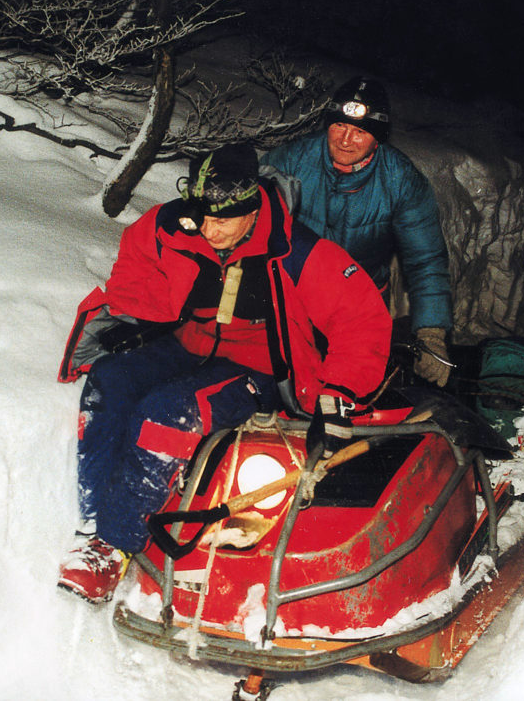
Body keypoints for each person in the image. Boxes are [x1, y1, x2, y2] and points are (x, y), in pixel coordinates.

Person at [55, 143, 393, 604]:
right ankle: (94, 523)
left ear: (252, 207)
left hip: (256, 365)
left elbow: (361, 318)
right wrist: (134, 318)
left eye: (224, 220)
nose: (210, 230)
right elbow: (136, 268)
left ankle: (113, 545)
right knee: (109, 382)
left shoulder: (296, 250)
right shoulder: (170, 226)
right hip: (187, 343)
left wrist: (339, 392)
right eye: (203, 217)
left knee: (168, 412)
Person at [261, 76, 454, 386]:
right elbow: (253, 220)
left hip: (360, 305)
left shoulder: (401, 180)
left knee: (349, 388)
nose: (345, 140)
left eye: (360, 131)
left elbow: (426, 260)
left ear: (377, 138)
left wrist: (431, 332)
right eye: (339, 127)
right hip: (296, 299)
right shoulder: (294, 160)